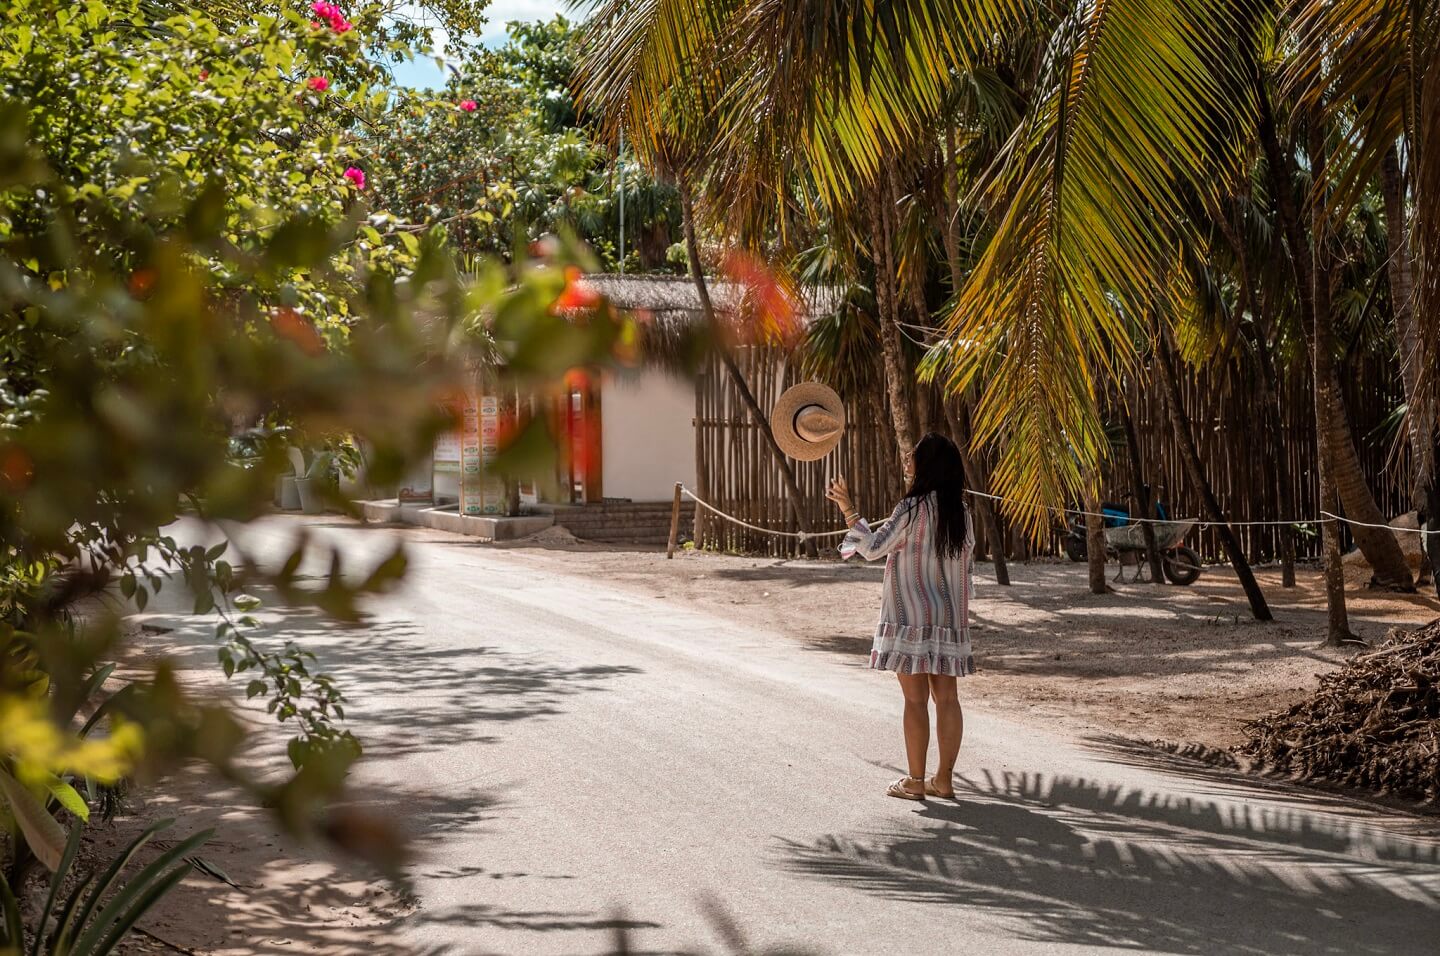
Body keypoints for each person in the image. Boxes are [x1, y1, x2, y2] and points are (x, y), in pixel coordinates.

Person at [826, 432, 975, 801]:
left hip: (908, 616)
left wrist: (849, 510)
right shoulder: (962, 513)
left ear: (926, 466)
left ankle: (914, 781)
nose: (908, 461)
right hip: (948, 618)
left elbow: (874, 549)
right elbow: (968, 565)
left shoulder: (911, 509)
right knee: (947, 699)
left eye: (913, 457)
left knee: (914, 701)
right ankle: (944, 779)